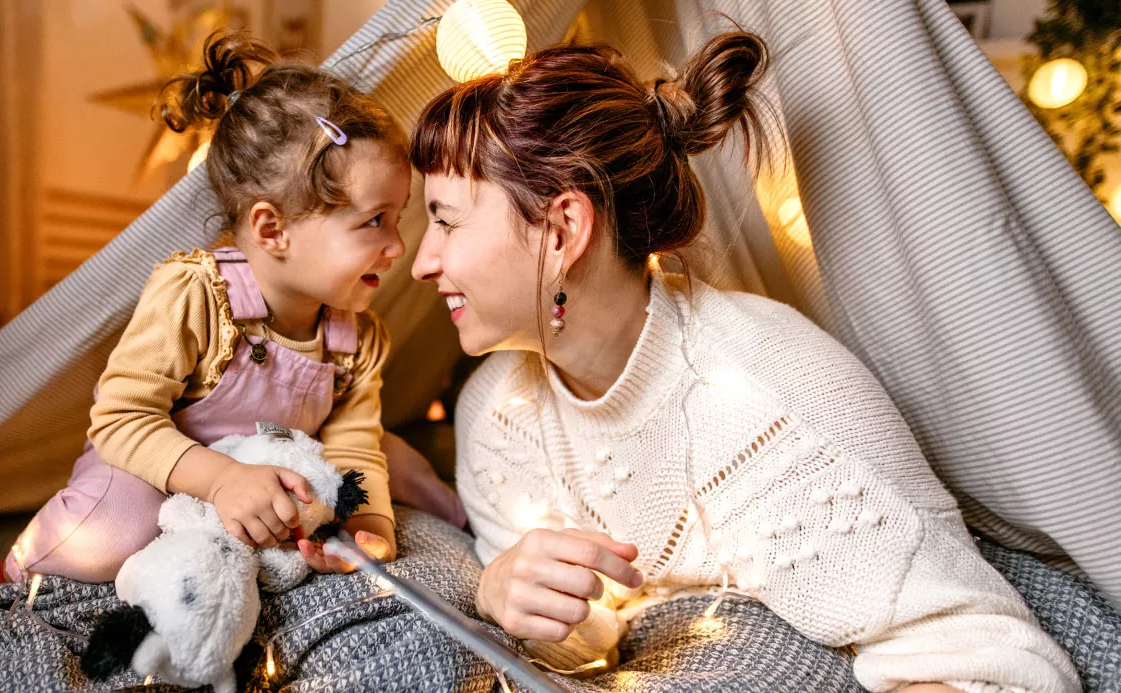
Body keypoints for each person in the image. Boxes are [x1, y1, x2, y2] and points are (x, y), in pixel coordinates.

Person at [409, 31, 1081, 693]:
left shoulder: (778, 393)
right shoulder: (496, 411)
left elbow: (994, 663)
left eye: (445, 220)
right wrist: (506, 594)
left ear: (561, 230)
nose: (422, 262)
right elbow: (583, 651)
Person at [0, 30, 453, 644]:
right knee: (114, 533)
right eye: (374, 222)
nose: (399, 247)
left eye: (399, 219)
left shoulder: (356, 337)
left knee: (380, 479)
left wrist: (368, 524)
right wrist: (219, 481)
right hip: (159, 472)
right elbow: (120, 420)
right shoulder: (197, 295)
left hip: (259, 485)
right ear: (271, 227)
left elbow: (354, 443)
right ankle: (8, 576)